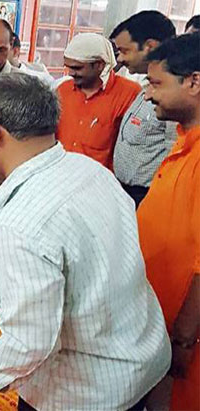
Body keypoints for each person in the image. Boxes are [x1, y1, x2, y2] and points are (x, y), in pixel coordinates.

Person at [0, 73, 171, 411]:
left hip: (83, 390)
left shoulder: (21, 224)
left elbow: (28, 343)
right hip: (137, 357)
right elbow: (71, 246)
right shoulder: (89, 170)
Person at [138, 32, 200, 411]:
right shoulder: (184, 141)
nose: (147, 94)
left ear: (194, 81)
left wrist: (183, 339)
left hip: (184, 343)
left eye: (157, 83)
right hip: (159, 324)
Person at [111, 11, 177, 207]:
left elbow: (174, 152)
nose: (120, 59)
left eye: (124, 51)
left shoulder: (172, 97)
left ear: (150, 47)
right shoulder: (145, 89)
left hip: (148, 197)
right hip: (126, 194)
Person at [57, 33, 141, 169]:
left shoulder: (129, 94)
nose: (71, 73)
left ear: (99, 65)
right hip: (61, 178)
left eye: (77, 68)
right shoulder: (62, 90)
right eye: (68, 67)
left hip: (100, 183)